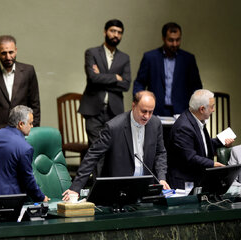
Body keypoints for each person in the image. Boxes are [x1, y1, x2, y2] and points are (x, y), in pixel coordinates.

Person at [63, 91, 170, 200]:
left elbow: (160, 153)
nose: (147, 116)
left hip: (144, 188)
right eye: (144, 111)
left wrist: (161, 178)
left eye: (150, 112)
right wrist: (75, 188)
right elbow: (92, 156)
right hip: (118, 190)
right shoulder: (114, 127)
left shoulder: (155, 124)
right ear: (134, 106)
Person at [0, 35, 40, 143]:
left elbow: (35, 105)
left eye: (11, 52)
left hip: (21, 133)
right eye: (4, 53)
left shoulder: (28, 71)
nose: (8, 57)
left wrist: (33, 135)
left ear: (16, 50)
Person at [78, 19, 131, 147]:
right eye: (112, 31)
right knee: (96, 149)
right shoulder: (92, 53)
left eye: (119, 32)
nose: (116, 35)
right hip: (93, 110)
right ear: (105, 32)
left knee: (112, 150)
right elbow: (93, 78)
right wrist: (115, 77)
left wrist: (101, 76)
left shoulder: (124, 58)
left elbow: (126, 85)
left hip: (114, 112)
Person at [167, 89, 234, 189]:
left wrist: (222, 141)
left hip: (195, 178)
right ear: (202, 109)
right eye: (212, 107)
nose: (213, 110)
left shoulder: (196, 120)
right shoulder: (184, 127)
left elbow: (202, 144)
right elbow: (191, 157)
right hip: (184, 183)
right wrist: (213, 164)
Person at [133, 22, 202, 117]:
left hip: (181, 111)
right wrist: (140, 100)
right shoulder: (150, 57)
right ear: (163, 38)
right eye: (171, 40)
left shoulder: (188, 59)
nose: (174, 44)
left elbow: (196, 86)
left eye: (178, 40)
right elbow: (139, 83)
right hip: (155, 110)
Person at [0, 105, 49, 202]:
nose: (32, 126)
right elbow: (28, 180)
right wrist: (41, 197)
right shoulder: (25, 148)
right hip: (9, 200)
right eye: (30, 123)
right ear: (21, 124)